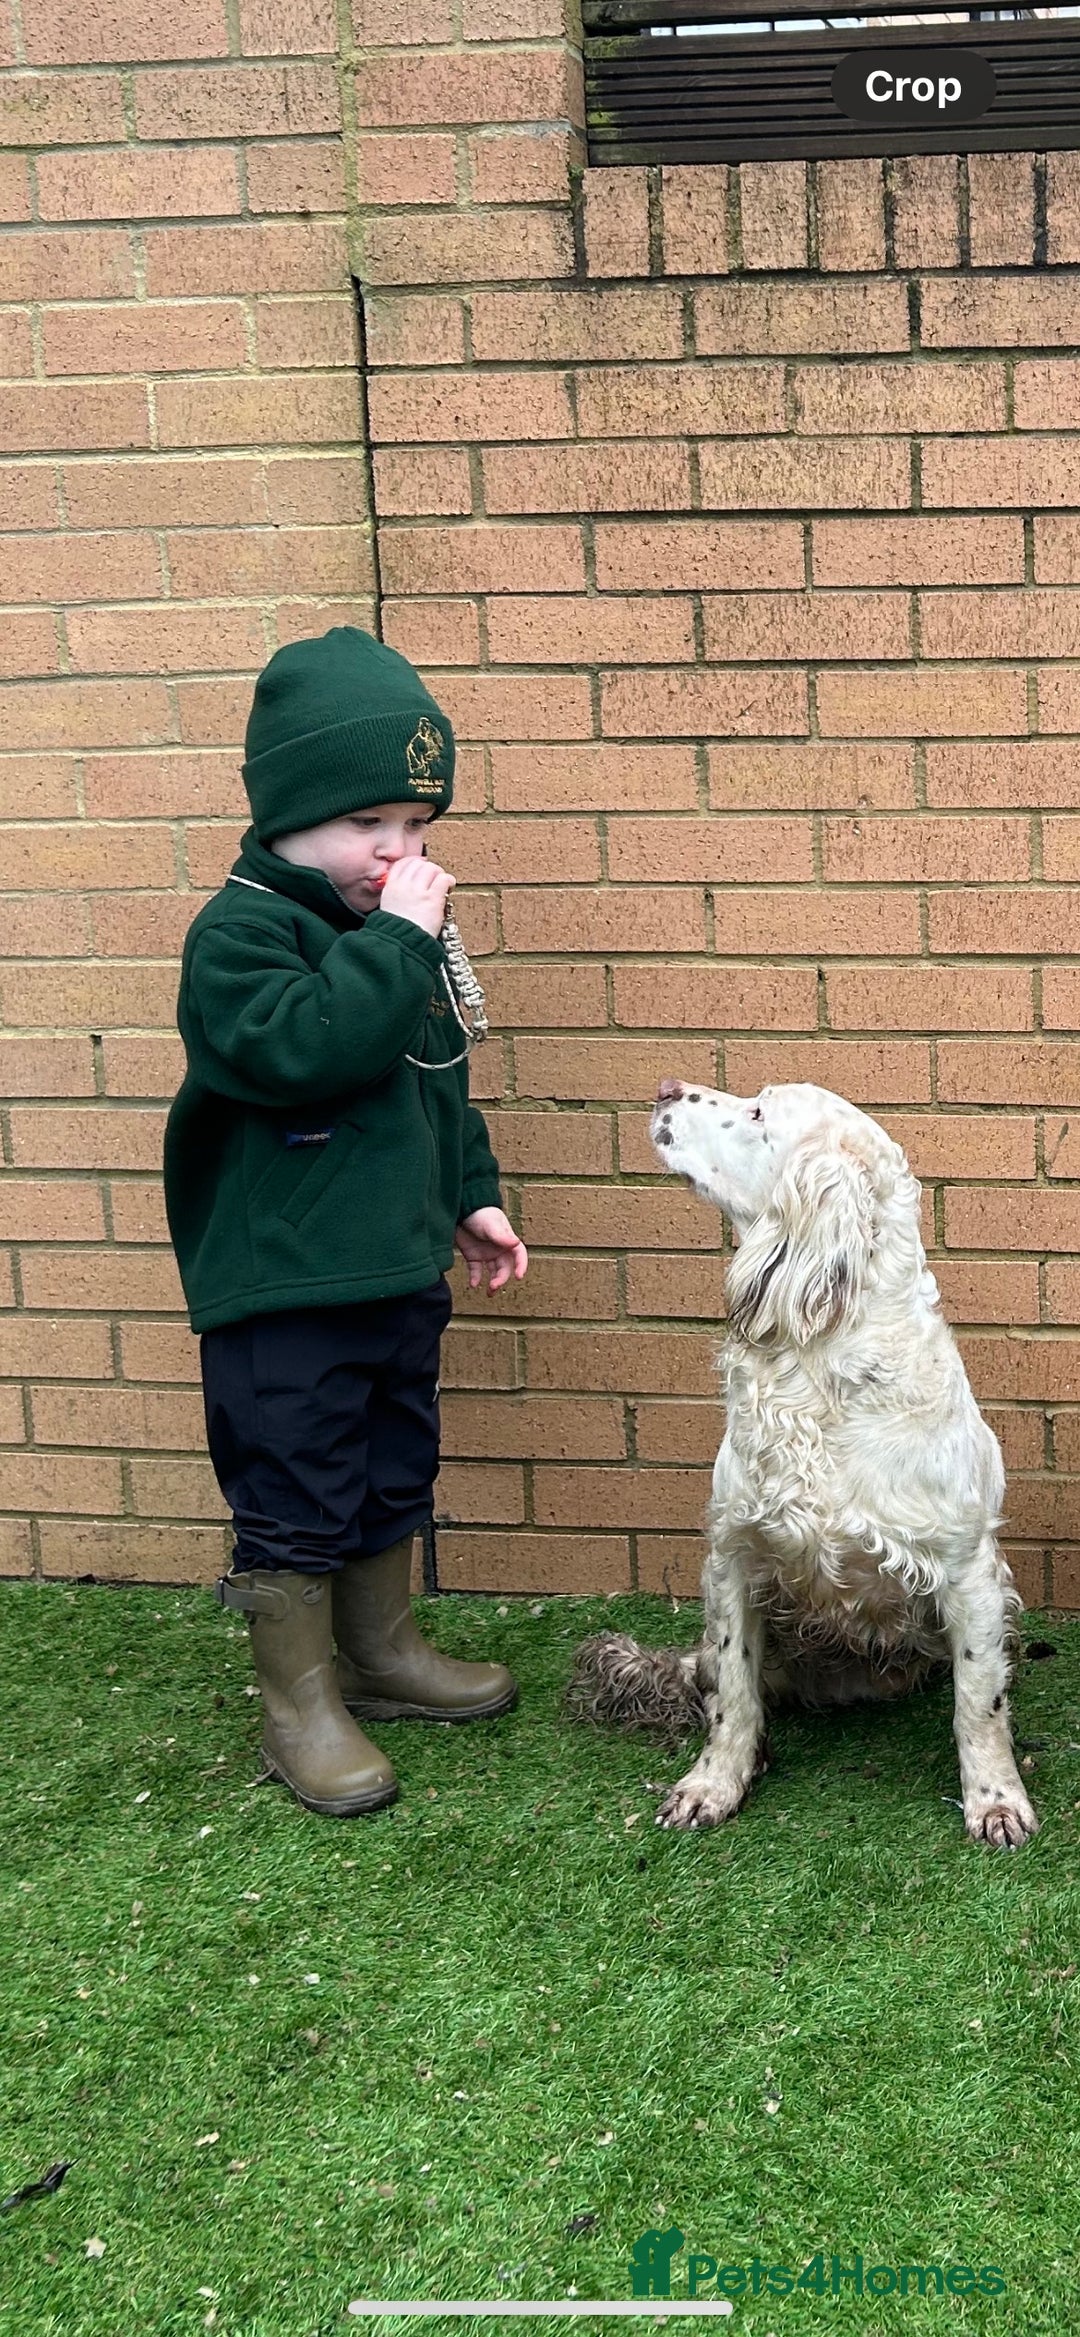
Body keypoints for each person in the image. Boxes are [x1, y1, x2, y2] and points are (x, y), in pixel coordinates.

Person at [162, 625, 529, 1818]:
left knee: (389, 1458)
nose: (400, 848)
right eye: (371, 821)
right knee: (297, 1480)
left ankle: (381, 1655)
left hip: (389, 1264)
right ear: (290, 813)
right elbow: (303, 1050)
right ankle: (297, 1707)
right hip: (285, 1285)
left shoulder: (390, 936)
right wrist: (397, 938)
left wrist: (466, 1192)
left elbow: (433, 1069)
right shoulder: (243, 934)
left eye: (418, 826)